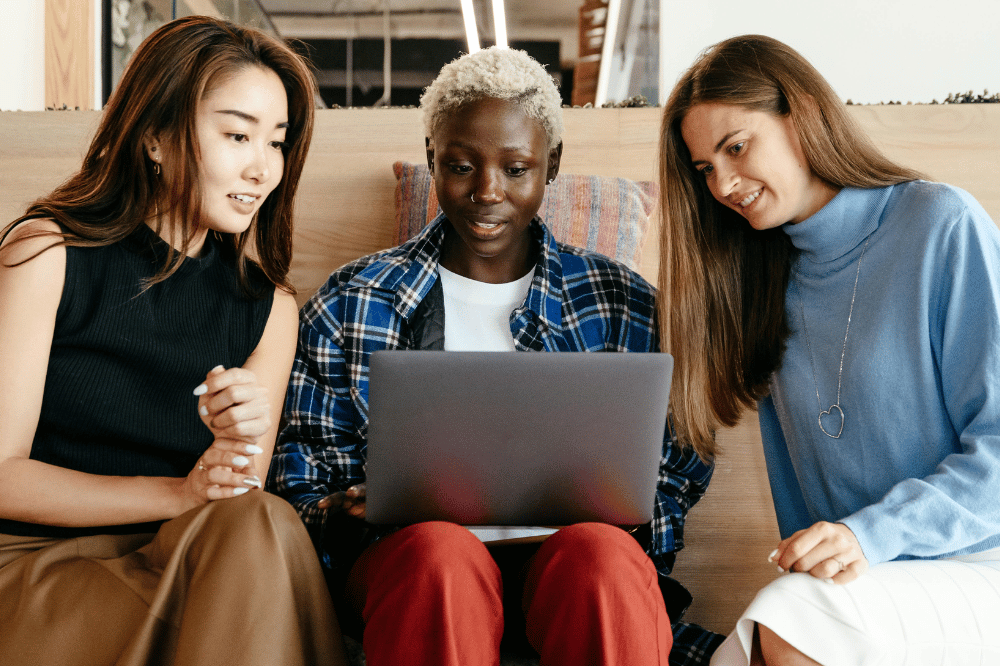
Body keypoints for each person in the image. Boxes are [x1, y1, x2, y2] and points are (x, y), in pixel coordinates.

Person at [269, 46, 721, 666]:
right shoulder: (354, 299)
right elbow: (299, 473)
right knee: (441, 556)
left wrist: (633, 517)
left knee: (604, 558)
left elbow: (681, 461)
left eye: (515, 168)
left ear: (551, 165)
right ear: (432, 157)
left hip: (573, 565)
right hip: (415, 567)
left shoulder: (625, 303)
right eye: (460, 166)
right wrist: (340, 509)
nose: (487, 192)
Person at [0, 15, 347, 666]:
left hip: (190, 563)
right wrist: (178, 493)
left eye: (276, 141)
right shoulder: (46, 251)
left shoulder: (270, 308)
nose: (262, 168)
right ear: (156, 137)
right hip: (33, 564)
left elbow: (235, 499)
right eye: (238, 134)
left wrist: (232, 442)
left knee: (260, 518)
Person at [658, 33, 1000, 666]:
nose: (725, 183)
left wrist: (870, 535)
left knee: (790, 621)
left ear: (802, 113)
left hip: (982, 563)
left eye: (736, 147)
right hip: (868, 585)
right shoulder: (762, 286)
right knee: (748, 647)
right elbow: (801, 503)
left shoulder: (942, 225)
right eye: (706, 168)